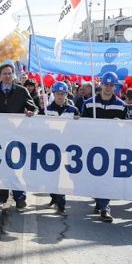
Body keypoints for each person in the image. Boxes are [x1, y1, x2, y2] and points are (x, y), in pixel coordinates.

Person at [0, 64, 37, 209]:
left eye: (9, 73)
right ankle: (3, 196)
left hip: (17, 134)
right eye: (4, 73)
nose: (7, 76)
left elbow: (33, 107)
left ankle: (20, 197)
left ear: (13, 75)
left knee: (16, 166)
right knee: (2, 166)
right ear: (0, 75)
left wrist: (31, 112)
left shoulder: (21, 90)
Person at [81, 71, 127, 223]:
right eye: (106, 84)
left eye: (111, 85)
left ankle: (105, 207)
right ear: (101, 85)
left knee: (107, 177)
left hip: (111, 147)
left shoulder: (121, 106)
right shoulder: (89, 103)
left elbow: (126, 129)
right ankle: (99, 200)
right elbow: (82, 125)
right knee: (94, 176)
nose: (108, 87)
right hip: (93, 146)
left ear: (115, 86)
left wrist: (120, 125)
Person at [44, 81, 79, 214]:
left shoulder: (73, 110)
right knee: (50, 176)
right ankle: (54, 196)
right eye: (57, 93)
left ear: (66, 94)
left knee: (62, 177)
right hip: (50, 148)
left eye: (62, 93)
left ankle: (61, 203)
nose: (60, 96)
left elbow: (79, 129)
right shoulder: (47, 109)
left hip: (66, 148)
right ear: (53, 94)